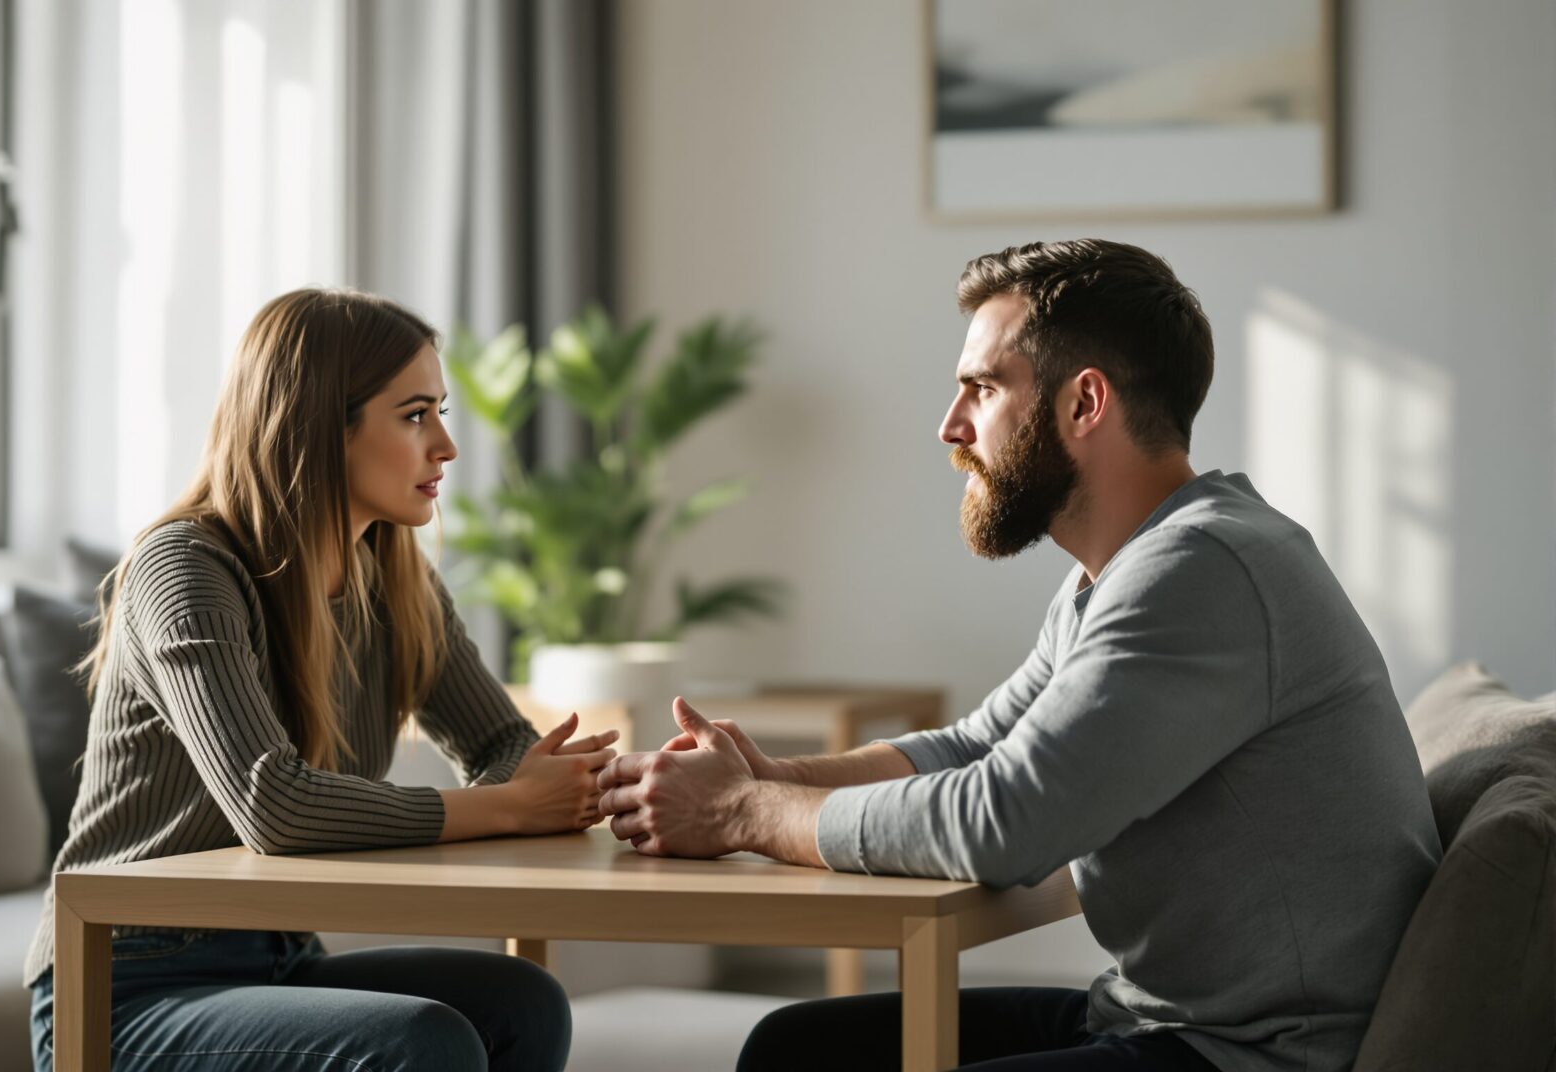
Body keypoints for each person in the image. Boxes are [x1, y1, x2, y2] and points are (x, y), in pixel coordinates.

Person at [596, 240, 1442, 1072]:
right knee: (798, 1048)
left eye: (983, 388)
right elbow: (976, 745)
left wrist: (741, 814)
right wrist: (774, 776)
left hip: (1256, 1055)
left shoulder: (1200, 570)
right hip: (1161, 1021)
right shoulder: (1124, 571)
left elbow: (1003, 822)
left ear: (1084, 404)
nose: (950, 425)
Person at [24, 288, 614, 1072]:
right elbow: (274, 802)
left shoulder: (391, 577)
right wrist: (507, 807)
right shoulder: (186, 568)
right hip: (124, 986)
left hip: (280, 954)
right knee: (423, 1043)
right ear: (320, 427)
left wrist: (549, 783)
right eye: (414, 415)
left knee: (522, 1002)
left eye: (441, 411)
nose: (446, 446)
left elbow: (500, 738)